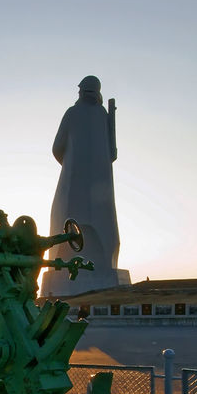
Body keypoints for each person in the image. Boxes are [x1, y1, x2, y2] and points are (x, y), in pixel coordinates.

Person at [41, 75, 121, 297]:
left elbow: (57, 147)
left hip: (72, 183)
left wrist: (71, 163)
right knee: (103, 227)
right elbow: (110, 153)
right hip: (100, 185)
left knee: (64, 221)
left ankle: (62, 262)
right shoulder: (102, 115)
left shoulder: (73, 113)